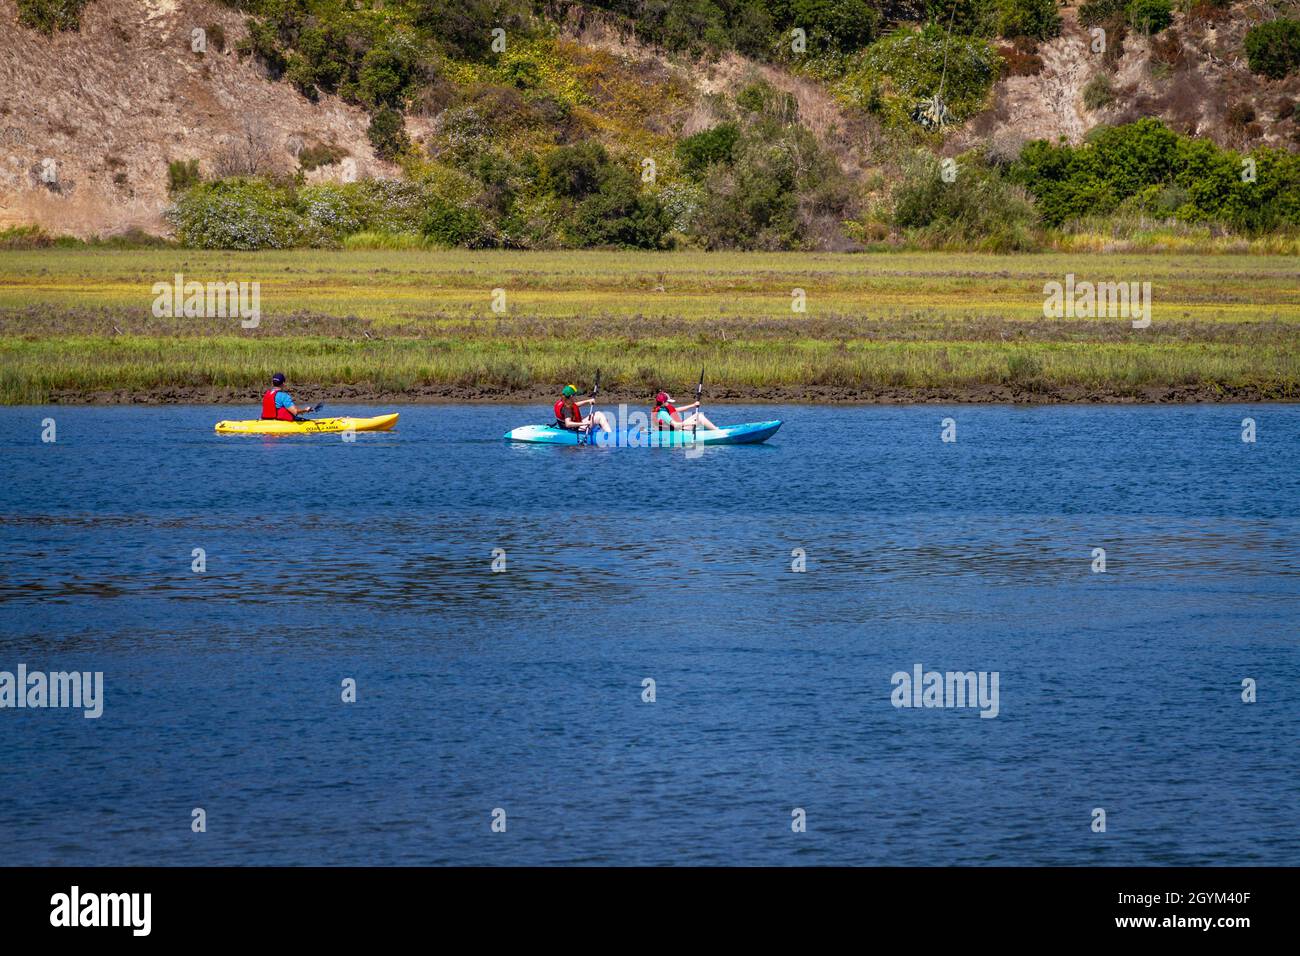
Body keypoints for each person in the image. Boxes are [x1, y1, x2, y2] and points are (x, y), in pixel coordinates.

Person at [651, 390, 718, 432]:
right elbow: (675, 425)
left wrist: (693, 405)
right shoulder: (663, 413)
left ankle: (715, 429)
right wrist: (689, 423)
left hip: (674, 430)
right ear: (663, 402)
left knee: (698, 416)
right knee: (699, 416)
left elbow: (677, 409)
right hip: (677, 431)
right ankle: (717, 432)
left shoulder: (659, 409)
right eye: (667, 401)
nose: (669, 403)